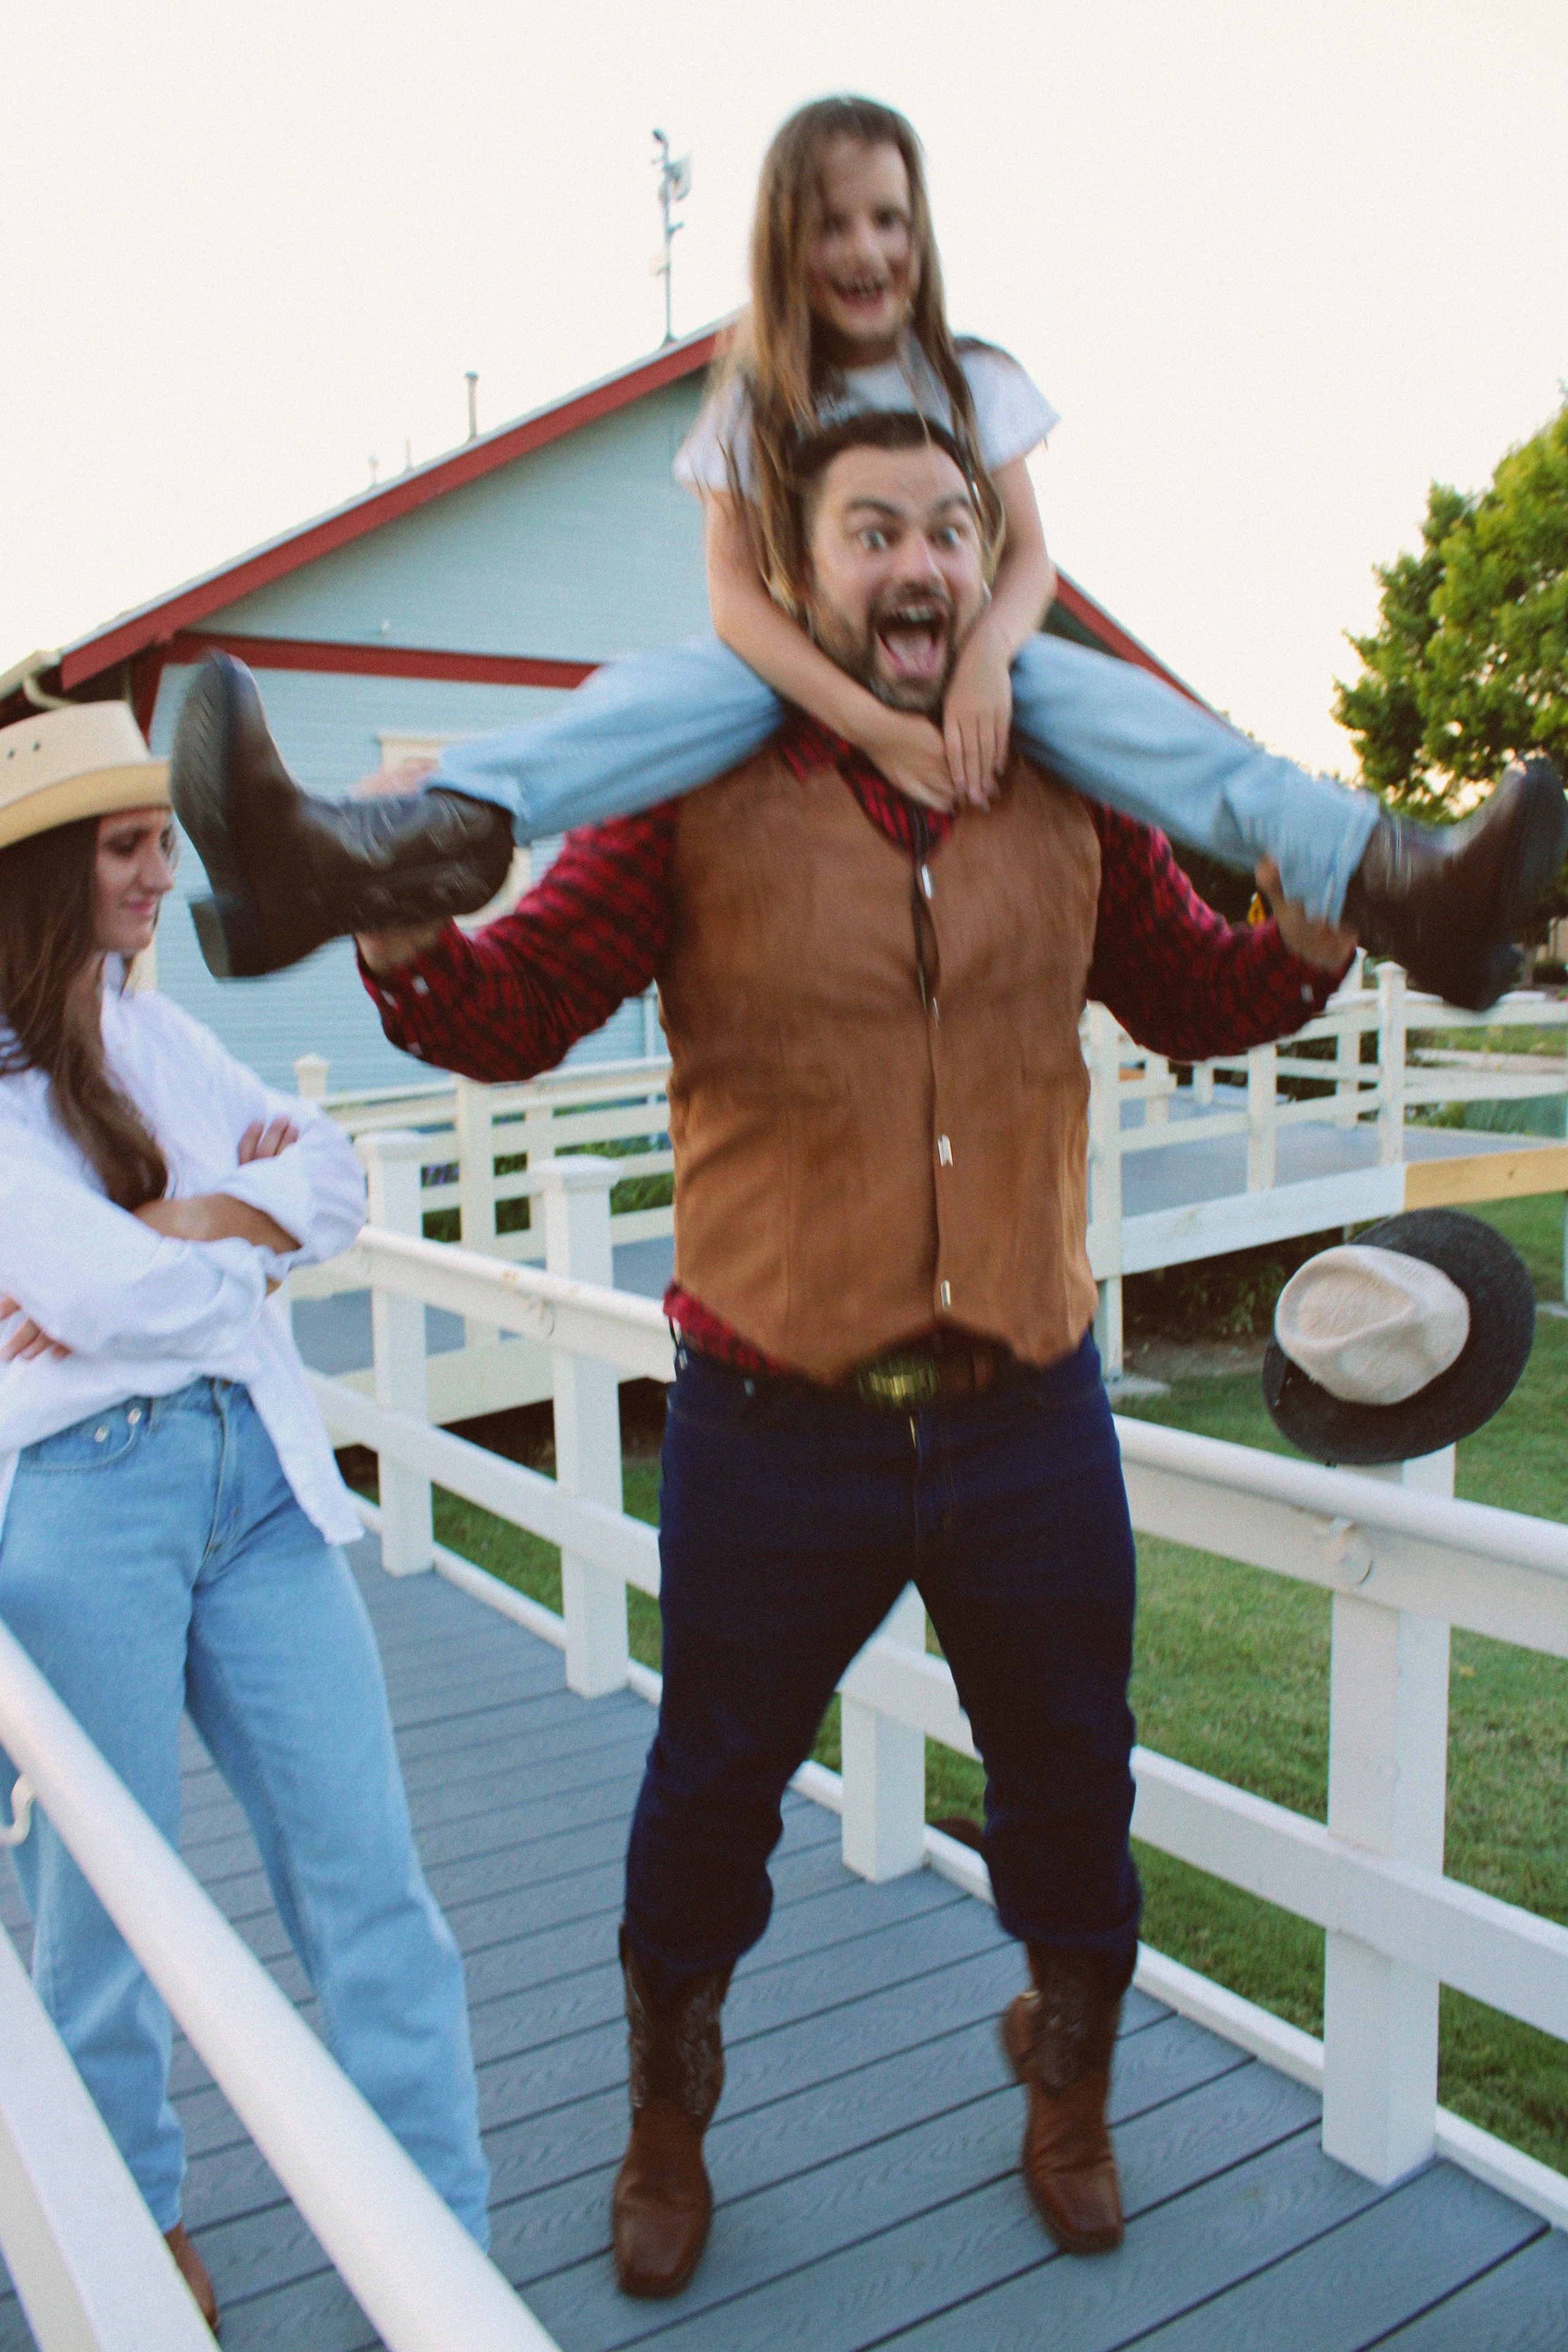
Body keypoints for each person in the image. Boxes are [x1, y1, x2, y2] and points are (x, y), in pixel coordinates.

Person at [350, 408, 1363, 2298]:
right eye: (873, 529)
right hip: (769, 1418)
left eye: (947, 532)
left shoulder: (1069, 784)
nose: (915, 565)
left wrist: (1300, 933)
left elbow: (1202, 999)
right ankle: (669, 2115)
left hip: (1029, 1419)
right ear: (801, 569)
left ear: (986, 567)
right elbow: (516, 1011)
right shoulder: (689, 784)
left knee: (1075, 1782)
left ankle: (1068, 2086)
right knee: (714, 1788)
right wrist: (412, 946)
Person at [170, 97, 1564, 1013]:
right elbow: (732, 600)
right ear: (787, 236)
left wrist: (981, 681)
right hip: (790, 672)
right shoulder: (751, 402)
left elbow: (1023, 560)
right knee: (630, 710)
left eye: (889, 218)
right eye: (834, 220)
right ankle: (364, 855)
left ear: (920, 231)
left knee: (1173, 740)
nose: (865, 246)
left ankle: (1401, 883)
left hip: (981, 664)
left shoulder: (969, 375)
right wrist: (864, 726)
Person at [0, 703, 489, 2331]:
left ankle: (439, 2255)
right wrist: (231, 1235)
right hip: (83, 1509)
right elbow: (96, 1285)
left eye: (160, 842)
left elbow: (335, 1183)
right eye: (126, 850)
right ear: (49, 876)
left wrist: (189, 1222)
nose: (160, 876)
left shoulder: (155, 1033)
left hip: (258, 1487)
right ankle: (131, 2227)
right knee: (101, 1921)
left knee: (375, 1891)